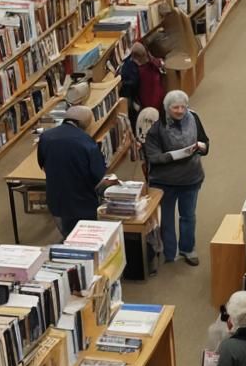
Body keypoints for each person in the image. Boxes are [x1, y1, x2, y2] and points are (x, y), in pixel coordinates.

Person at [143, 90, 209, 266]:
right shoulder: (156, 128)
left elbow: (205, 141)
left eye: (183, 107)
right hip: (165, 182)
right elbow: (153, 157)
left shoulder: (193, 117)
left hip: (191, 178)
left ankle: (188, 249)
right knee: (167, 219)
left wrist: (203, 147)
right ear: (166, 108)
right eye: (175, 108)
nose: (180, 111)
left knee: (188, 216)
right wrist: (174, 156)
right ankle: (169, 253)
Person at [37, 105, 107, 238]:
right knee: (85, 239)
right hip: (83, 203)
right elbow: (98, 176)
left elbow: (42, 164)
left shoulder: (46, 137)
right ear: (86, 123)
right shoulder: (87, 142)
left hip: (56, 200)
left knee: (67, 236)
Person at [119, 42, 167, 130]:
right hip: (158, 101)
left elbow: (132, 89)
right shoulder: (154, 63)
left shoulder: (136, 72)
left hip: (147, 105)